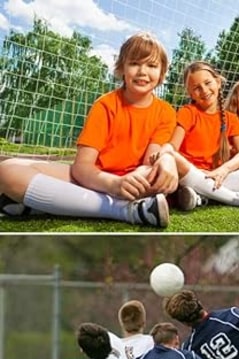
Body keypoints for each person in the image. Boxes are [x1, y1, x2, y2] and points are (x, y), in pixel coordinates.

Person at [0, 32, 177, 227]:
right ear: (122, 68)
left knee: (160, 174)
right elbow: (82, 167)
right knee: (7, 170)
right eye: (135, 63)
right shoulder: (105, 105)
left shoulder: (166, 112)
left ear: (161, 73)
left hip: (135, 182)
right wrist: (113, 184)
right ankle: (126, 209)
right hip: (95, 179)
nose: (143, 71)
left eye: (151, 65)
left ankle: (118, 209)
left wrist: (145, 172)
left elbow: (149, 164)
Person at [152, 62, 239, 211]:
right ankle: (238, 199)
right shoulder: (187, 112)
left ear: (218, 82)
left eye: (207, 83)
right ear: (190, 94)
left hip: (217, 175)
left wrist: (223, 169)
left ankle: (203, 196)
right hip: (191, 174)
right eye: (197, 88)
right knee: (172, 157)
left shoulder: (230, 118)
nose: (204, 90)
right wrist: (164, 151)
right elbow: (173, 145)